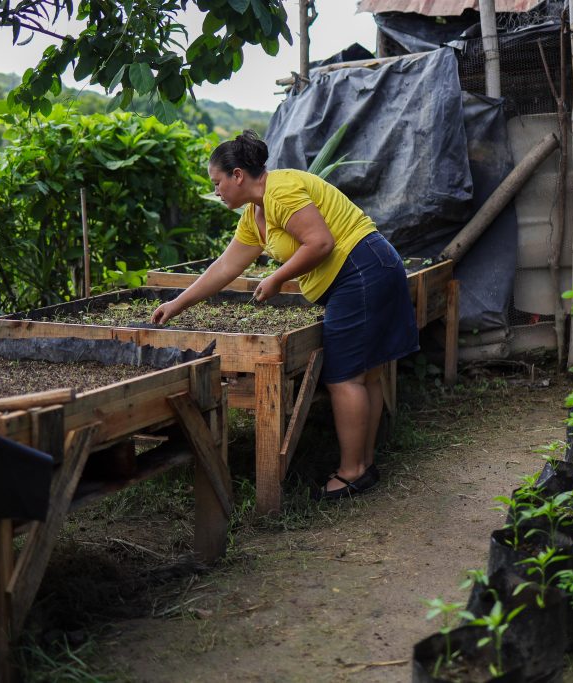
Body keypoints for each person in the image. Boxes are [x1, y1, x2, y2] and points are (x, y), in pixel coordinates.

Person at [150, 130, 418, 501]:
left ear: (238, 175)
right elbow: (226, 267)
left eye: (218, 183)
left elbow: (320, 242)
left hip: (361, 269)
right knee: (364, 373)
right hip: (366, 270)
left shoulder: (280, 190)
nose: (216, 192)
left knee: (344, 377)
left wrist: (277, 277)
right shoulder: (255, 214)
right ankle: (363, 464)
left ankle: (353, 471)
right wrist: (178, 303)